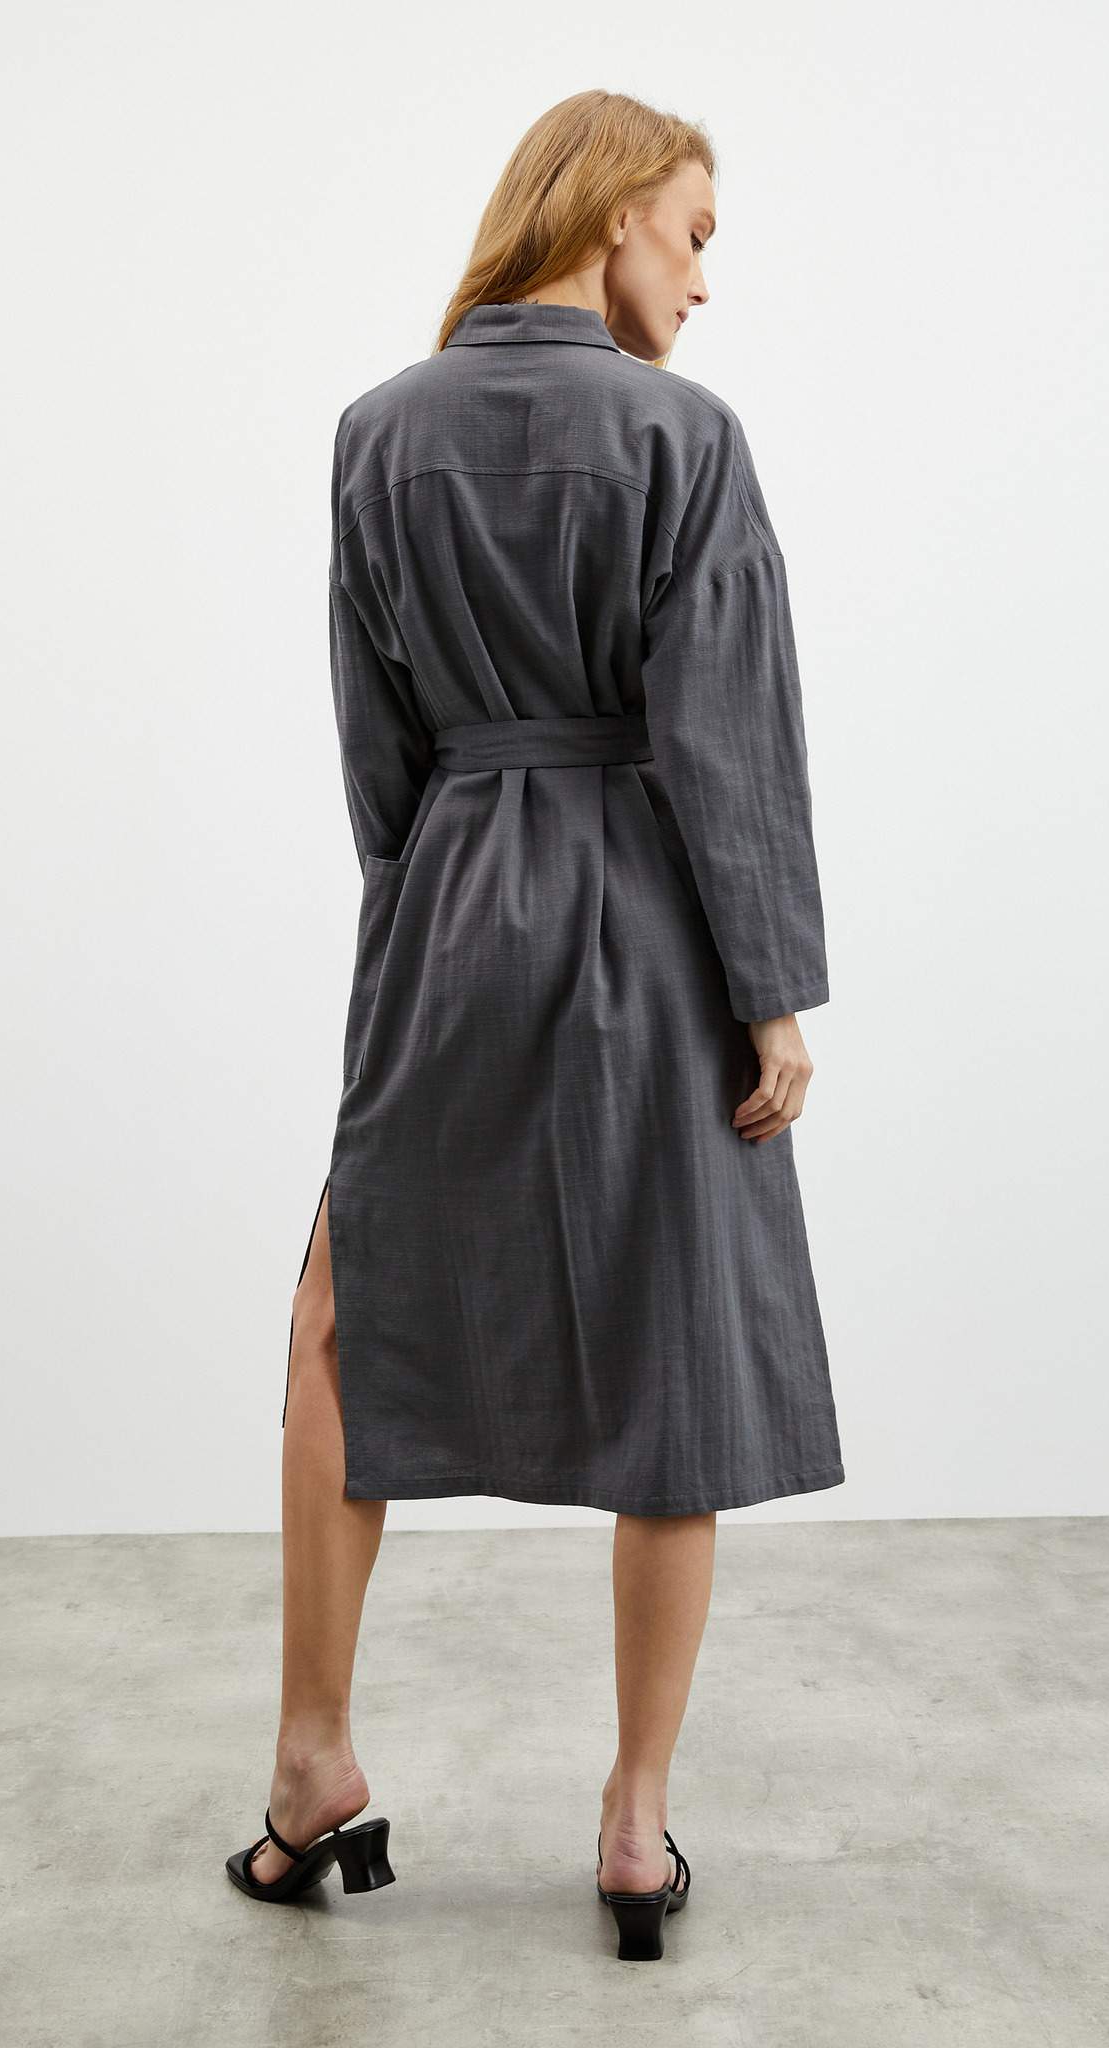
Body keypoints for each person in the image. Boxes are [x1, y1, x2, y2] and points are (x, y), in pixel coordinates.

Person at [226, 88, 843, 1962]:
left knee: (343, 1317)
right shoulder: (686, 438)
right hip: (652, 922)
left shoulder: (377, 434)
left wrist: (427, 908)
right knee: (673, 1354)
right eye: (699, 233)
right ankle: (636, 1824)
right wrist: (772, 993)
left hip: (450, 900)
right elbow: (726, 732)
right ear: (613, 209)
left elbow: (375, 748)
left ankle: (312, 1761)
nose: (705, 281)